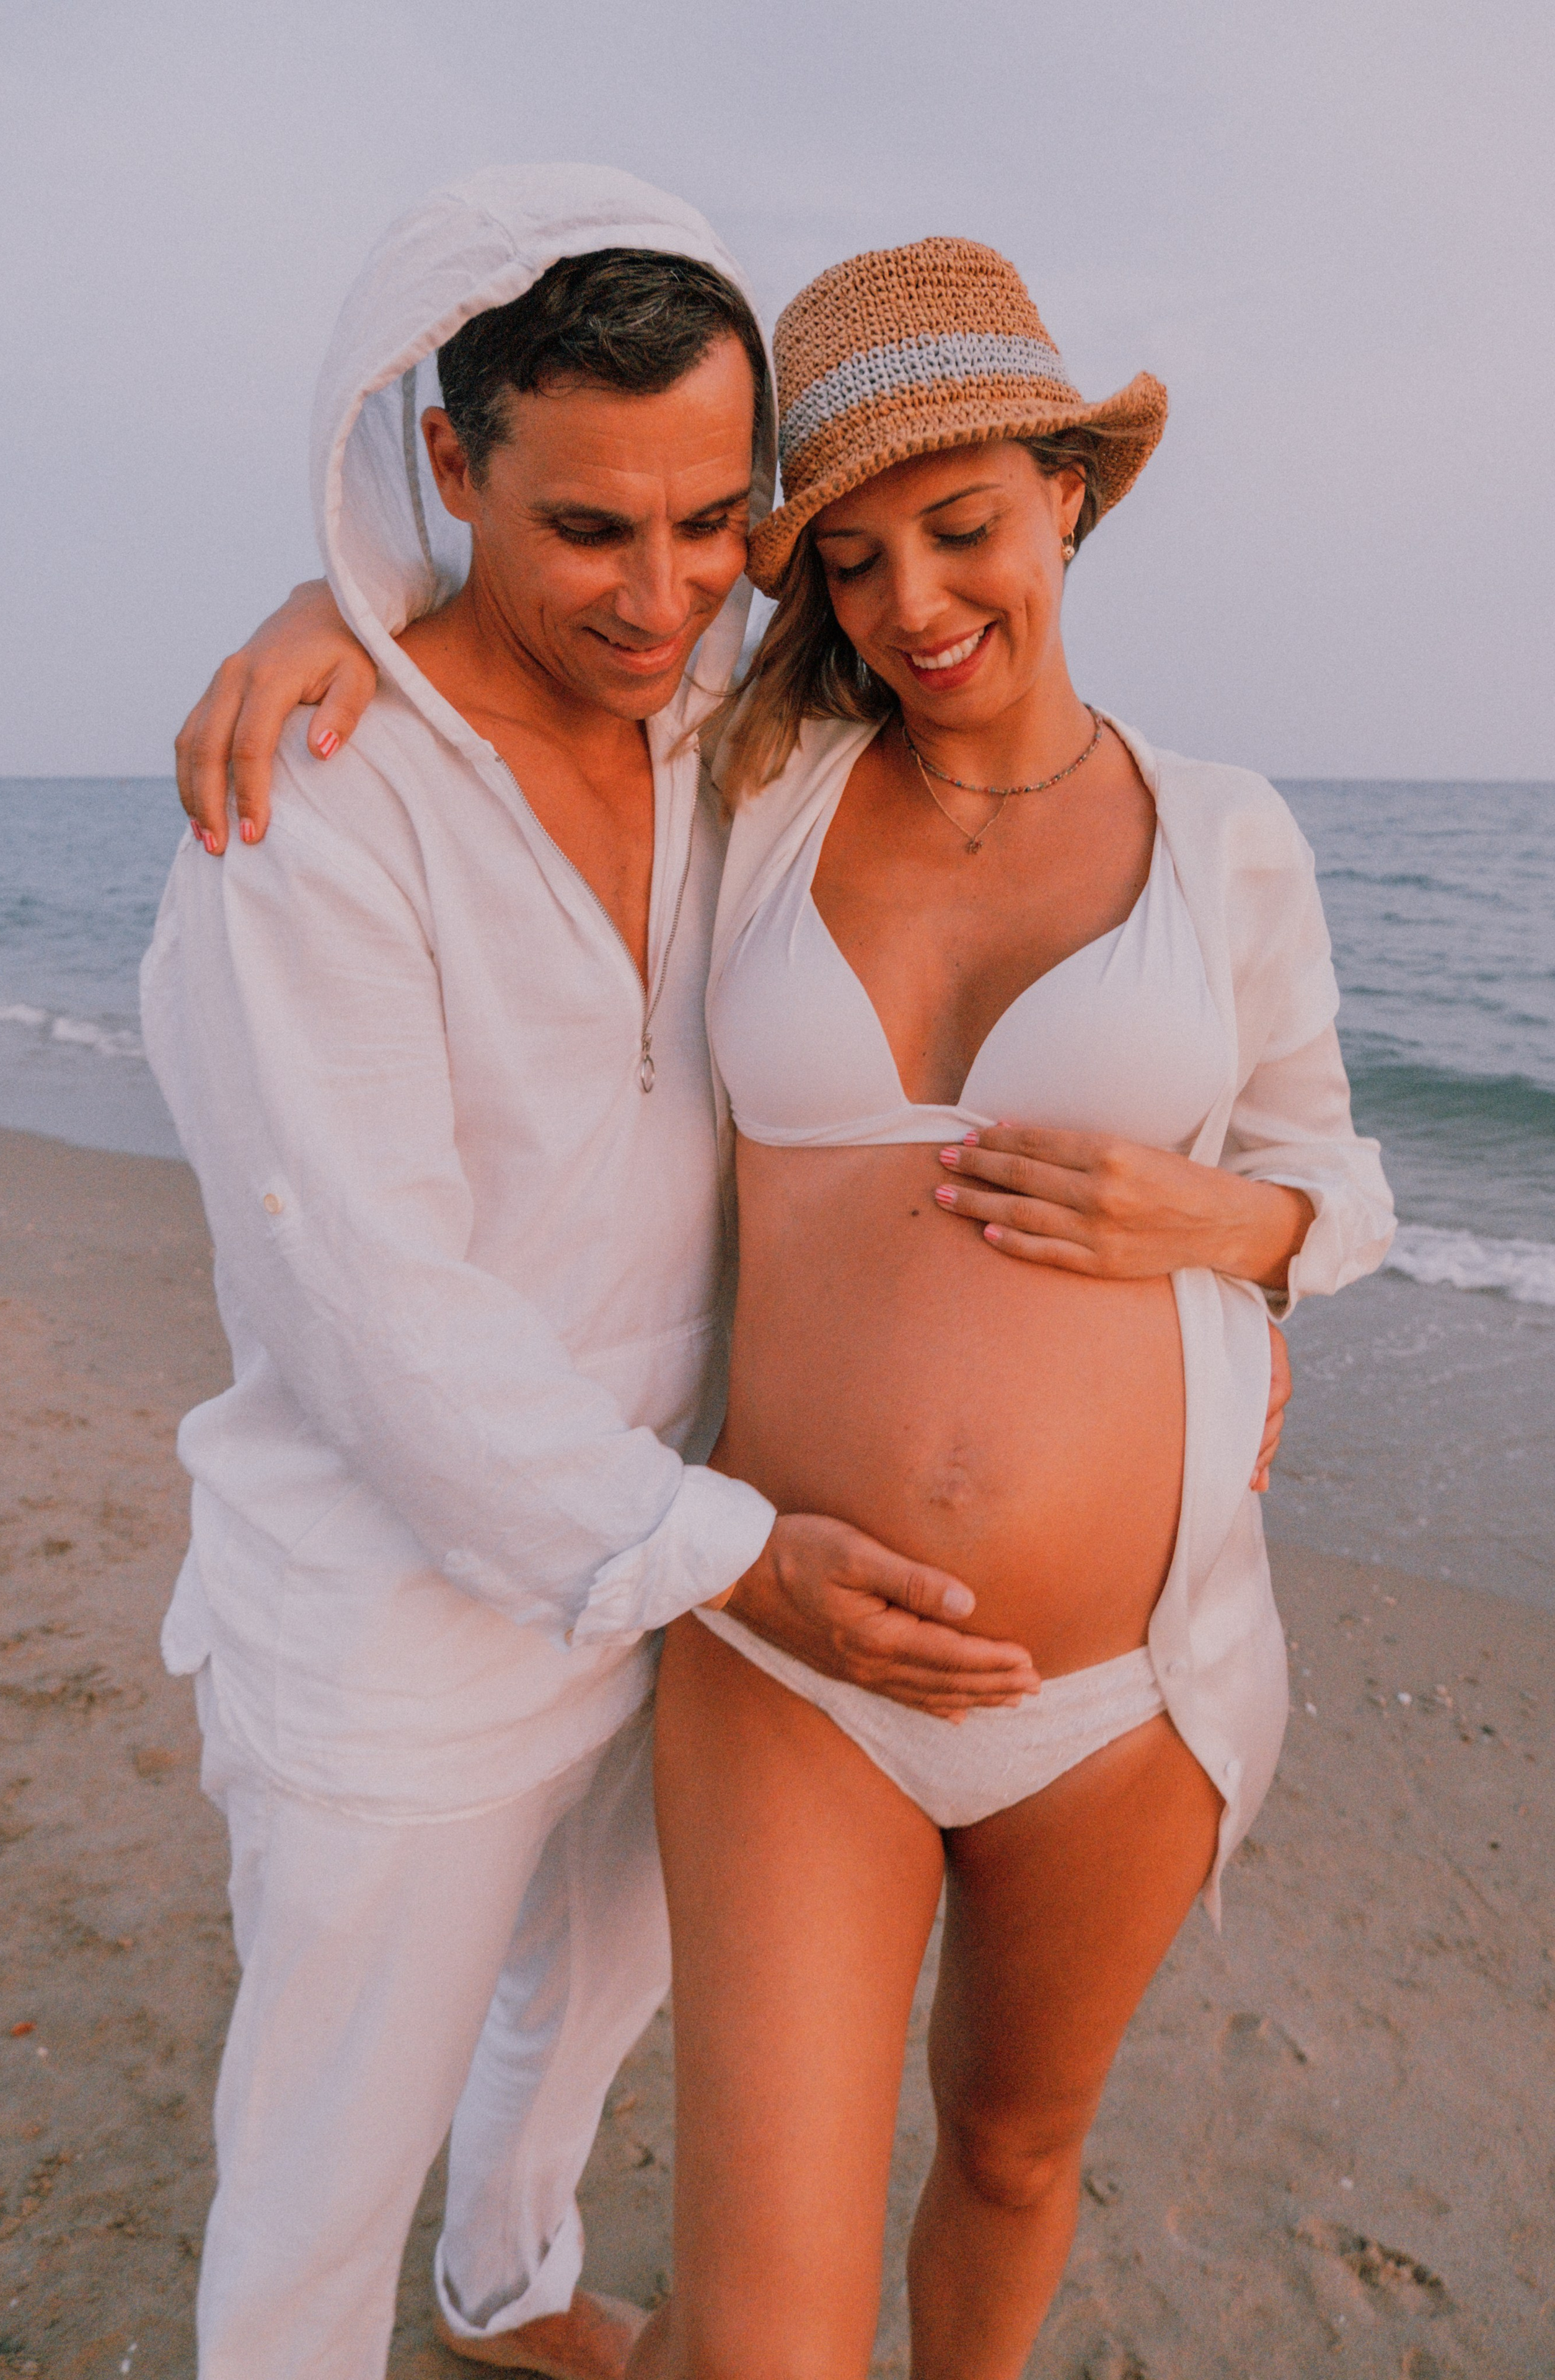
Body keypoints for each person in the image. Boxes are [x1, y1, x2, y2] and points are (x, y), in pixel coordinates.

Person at [144, 170, 1051, 2380]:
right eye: (587, 534)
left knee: (579, 2006)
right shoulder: (314, 811)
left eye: (712, 518)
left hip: (700, 1548)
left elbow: (990, 698)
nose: (664, 595)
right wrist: (732, 1555)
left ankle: (511, 2283)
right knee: (318, 2166)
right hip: (404, 1622)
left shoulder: (735, 699)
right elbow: (375, 1311)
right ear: (448, 468)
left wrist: (1259, 1233)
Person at [600, 238, 1396, 2380]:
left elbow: (1343, 1182)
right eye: (849, 561)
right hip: (791, 1652)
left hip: (1128, 1691)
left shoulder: (1223, 838)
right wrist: (319, 619)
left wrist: (1208, 1220)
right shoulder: (748, 791)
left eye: (962, 528)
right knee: (766, 2336)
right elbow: (531, 637)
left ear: (1070, 490)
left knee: (1019, 2154)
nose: (914, 604)